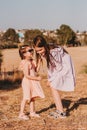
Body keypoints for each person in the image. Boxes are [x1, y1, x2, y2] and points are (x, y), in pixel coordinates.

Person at [33, 35, 75, 118]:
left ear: (45, 46)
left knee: (53, 86)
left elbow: (58, 68)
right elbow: (51, 67)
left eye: (40, 50)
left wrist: (51, 79)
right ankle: (59, 110)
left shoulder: (53, 52)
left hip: (64, 67)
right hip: (59, 68)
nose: (39, 52)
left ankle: (61, 112)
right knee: (53, 86)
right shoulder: (45, 52)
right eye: (37, 51)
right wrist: (49, 78)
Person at [18, 45, 45, 120]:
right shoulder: (26, 63)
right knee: (26, 97)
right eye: (29, 51)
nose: (32, 52)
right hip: (27, 82)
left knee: (32, 97)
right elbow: (27, 75)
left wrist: (39, 61)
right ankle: (21, 113)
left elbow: (36, 70)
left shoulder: (31, 61)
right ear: (24, 54)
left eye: (32, 50)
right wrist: (36, 78)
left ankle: (32, 112)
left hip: (32, 81)